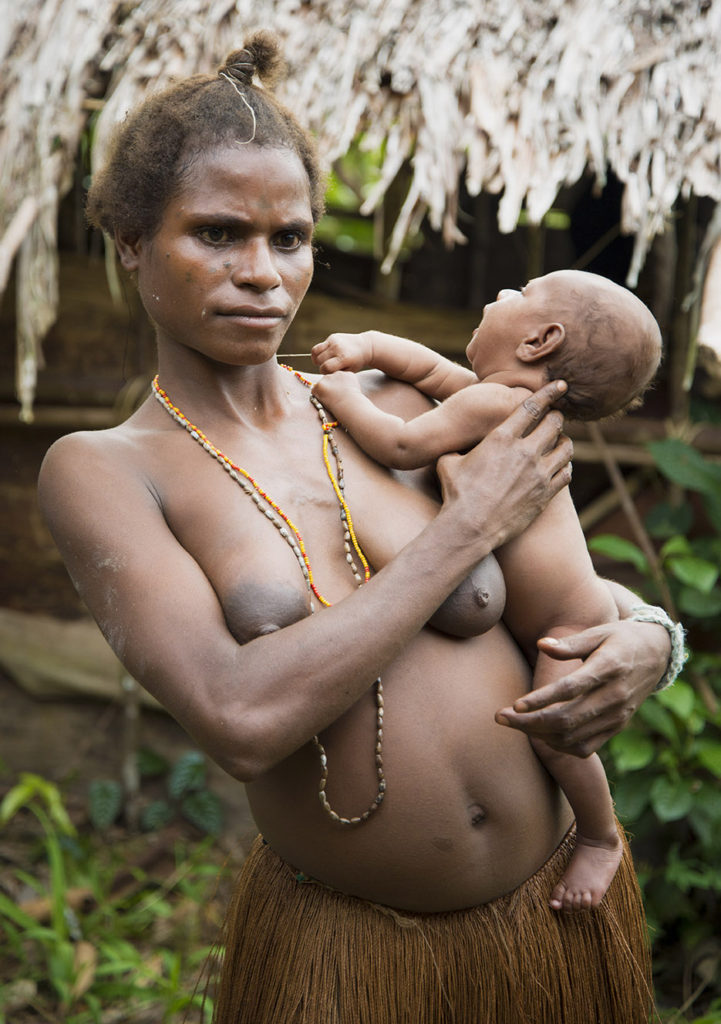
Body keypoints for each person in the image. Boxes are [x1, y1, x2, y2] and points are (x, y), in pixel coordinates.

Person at [37, 33, 683, 1024]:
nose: (261, 272)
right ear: (130, 240)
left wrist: (650, 637)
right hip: (346, 959)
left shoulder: (391, 400)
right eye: (216, 234)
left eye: (287, 238)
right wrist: (460, 531)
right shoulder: (106, 470)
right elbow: (240, 720)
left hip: (552, 916)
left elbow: (564, 579)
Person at [310, 271, 662, 911]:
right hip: (574, 605)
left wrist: (343, 395)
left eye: (521, 294)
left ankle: (600, 835)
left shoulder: (494, 408)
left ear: (539, 340)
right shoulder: (499, 401)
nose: (500, 295)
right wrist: (367, 347)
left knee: (556, 733)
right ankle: (598, 833)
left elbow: (403, 441)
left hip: (567, 622)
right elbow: (426, 367)